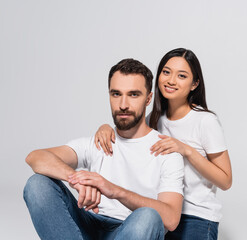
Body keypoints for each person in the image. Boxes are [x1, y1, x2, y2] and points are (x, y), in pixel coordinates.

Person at [23, 58, 185, 240]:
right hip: (86, 225)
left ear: (148, 99)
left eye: (133, 95)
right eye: (116, 94)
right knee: (37, 184)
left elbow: (171, 219)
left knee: (147, 217)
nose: (123, 104)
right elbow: (35, 157)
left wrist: (114, 191)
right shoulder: (99, 141)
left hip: (130, 230)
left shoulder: (166, 150)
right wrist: (76, 180)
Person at [95, 48, 232, 240]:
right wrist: (105, 127)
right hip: (161, 214)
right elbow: (129, 135)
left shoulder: (204, 121)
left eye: (181, 75)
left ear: (194, 84)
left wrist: (187, 150)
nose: (171, 80)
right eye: (166, 72)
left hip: (196, 217)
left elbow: (226, 180)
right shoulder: (154, 119)